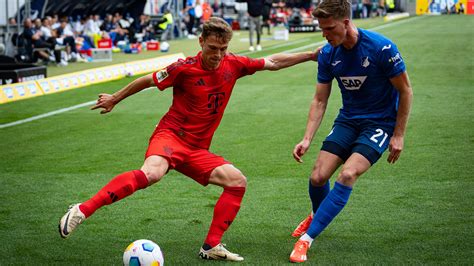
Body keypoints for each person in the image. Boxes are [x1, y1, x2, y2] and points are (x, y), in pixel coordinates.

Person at [59, 17, 318, 262]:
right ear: (201, 42)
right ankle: (82, 210)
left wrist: (310, 55)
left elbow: (272, 62)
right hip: (170, 137)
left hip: (196, 149)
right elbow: (148, 80)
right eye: (213, 48)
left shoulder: (234, 64)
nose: (218, 55)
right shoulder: (183, 69)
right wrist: (115, 98)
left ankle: (211, 246)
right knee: (152, 173)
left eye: (223, 49)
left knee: (237, 181)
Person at [288, 0, 413, 263]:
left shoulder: (381, 48)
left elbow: (405, 90)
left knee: (347, 174)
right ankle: (318, 214)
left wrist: (399, 134)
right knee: (317, 177)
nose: (325, 34)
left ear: (346, 23)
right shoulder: (327, 54)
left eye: (329, 28)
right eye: (321, 29)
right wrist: (307, 138)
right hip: (348, 120)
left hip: (379, 124)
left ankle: (306, 240)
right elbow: (320, 99)